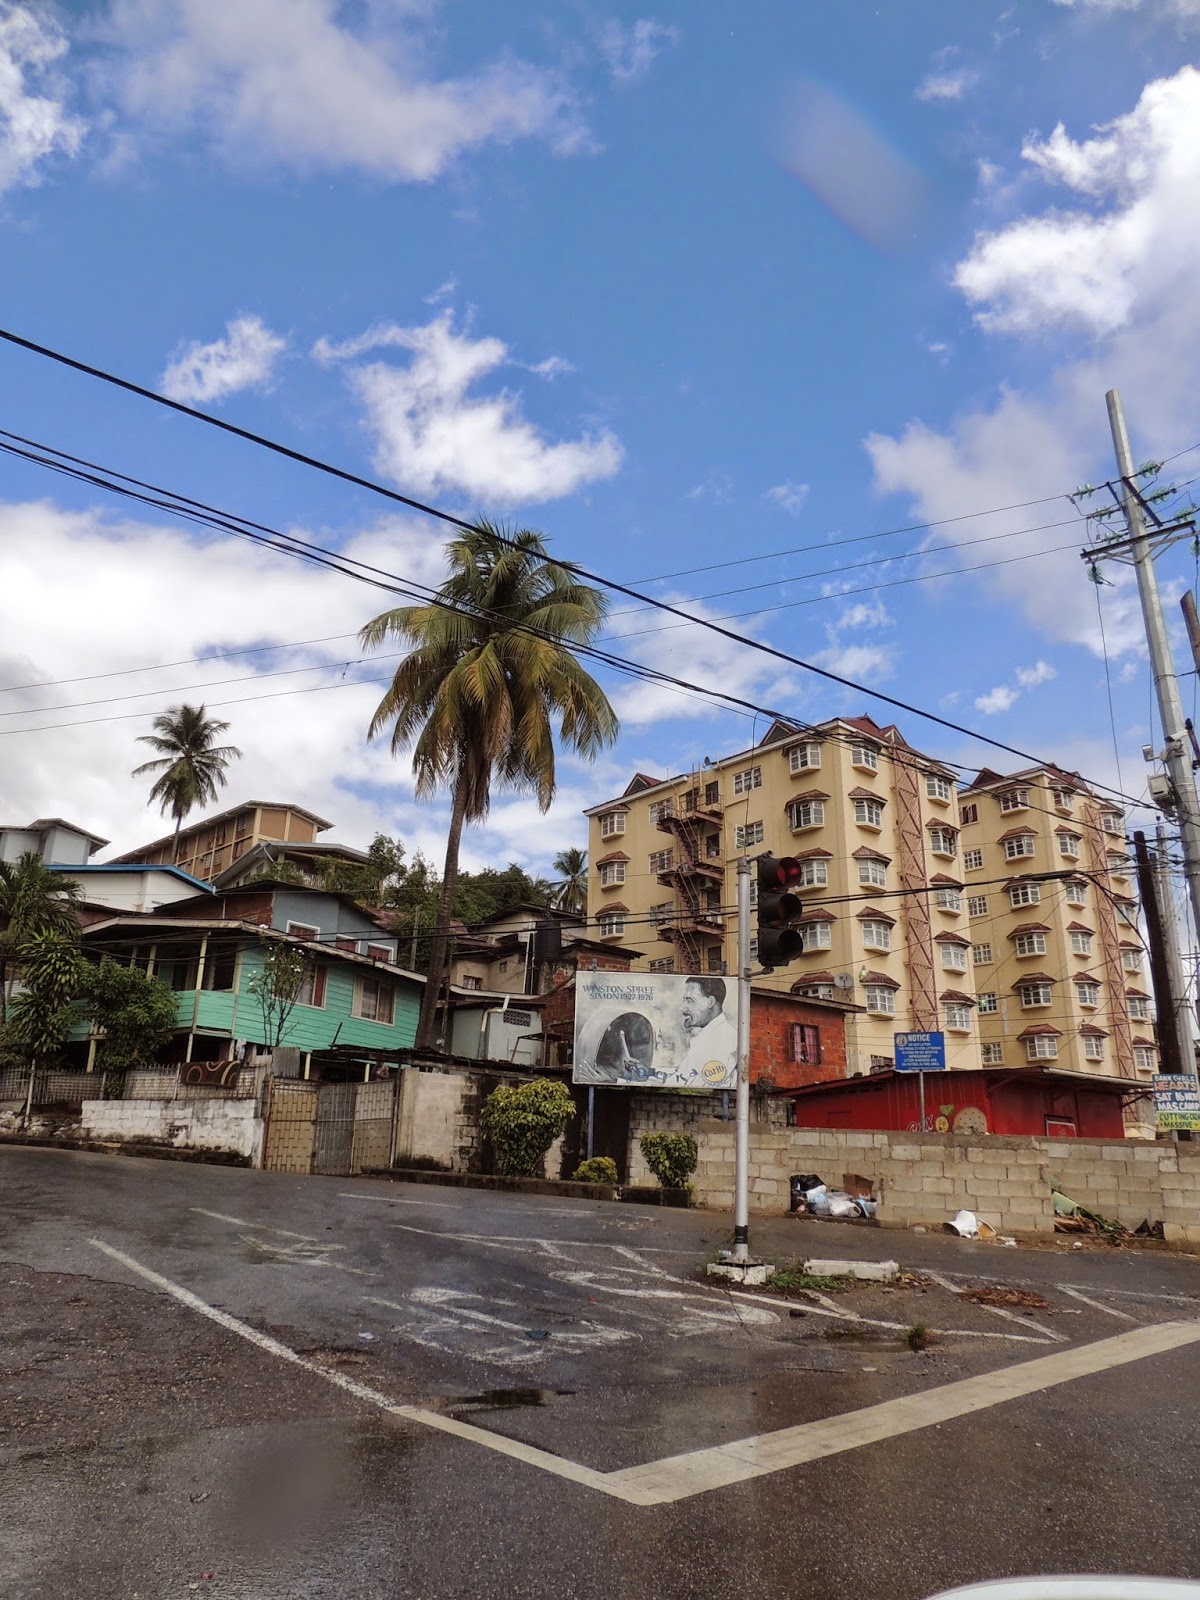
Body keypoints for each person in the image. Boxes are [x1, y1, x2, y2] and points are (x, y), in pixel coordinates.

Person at [676, 975, 737, 1086]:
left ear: (710, 1002)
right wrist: (648, 1073)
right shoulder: (708, 1036)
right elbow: (682, 1075)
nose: (682, 1007)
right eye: (684, 1000)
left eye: (690, 1001)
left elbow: (688, 1082)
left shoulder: (725, 1040)